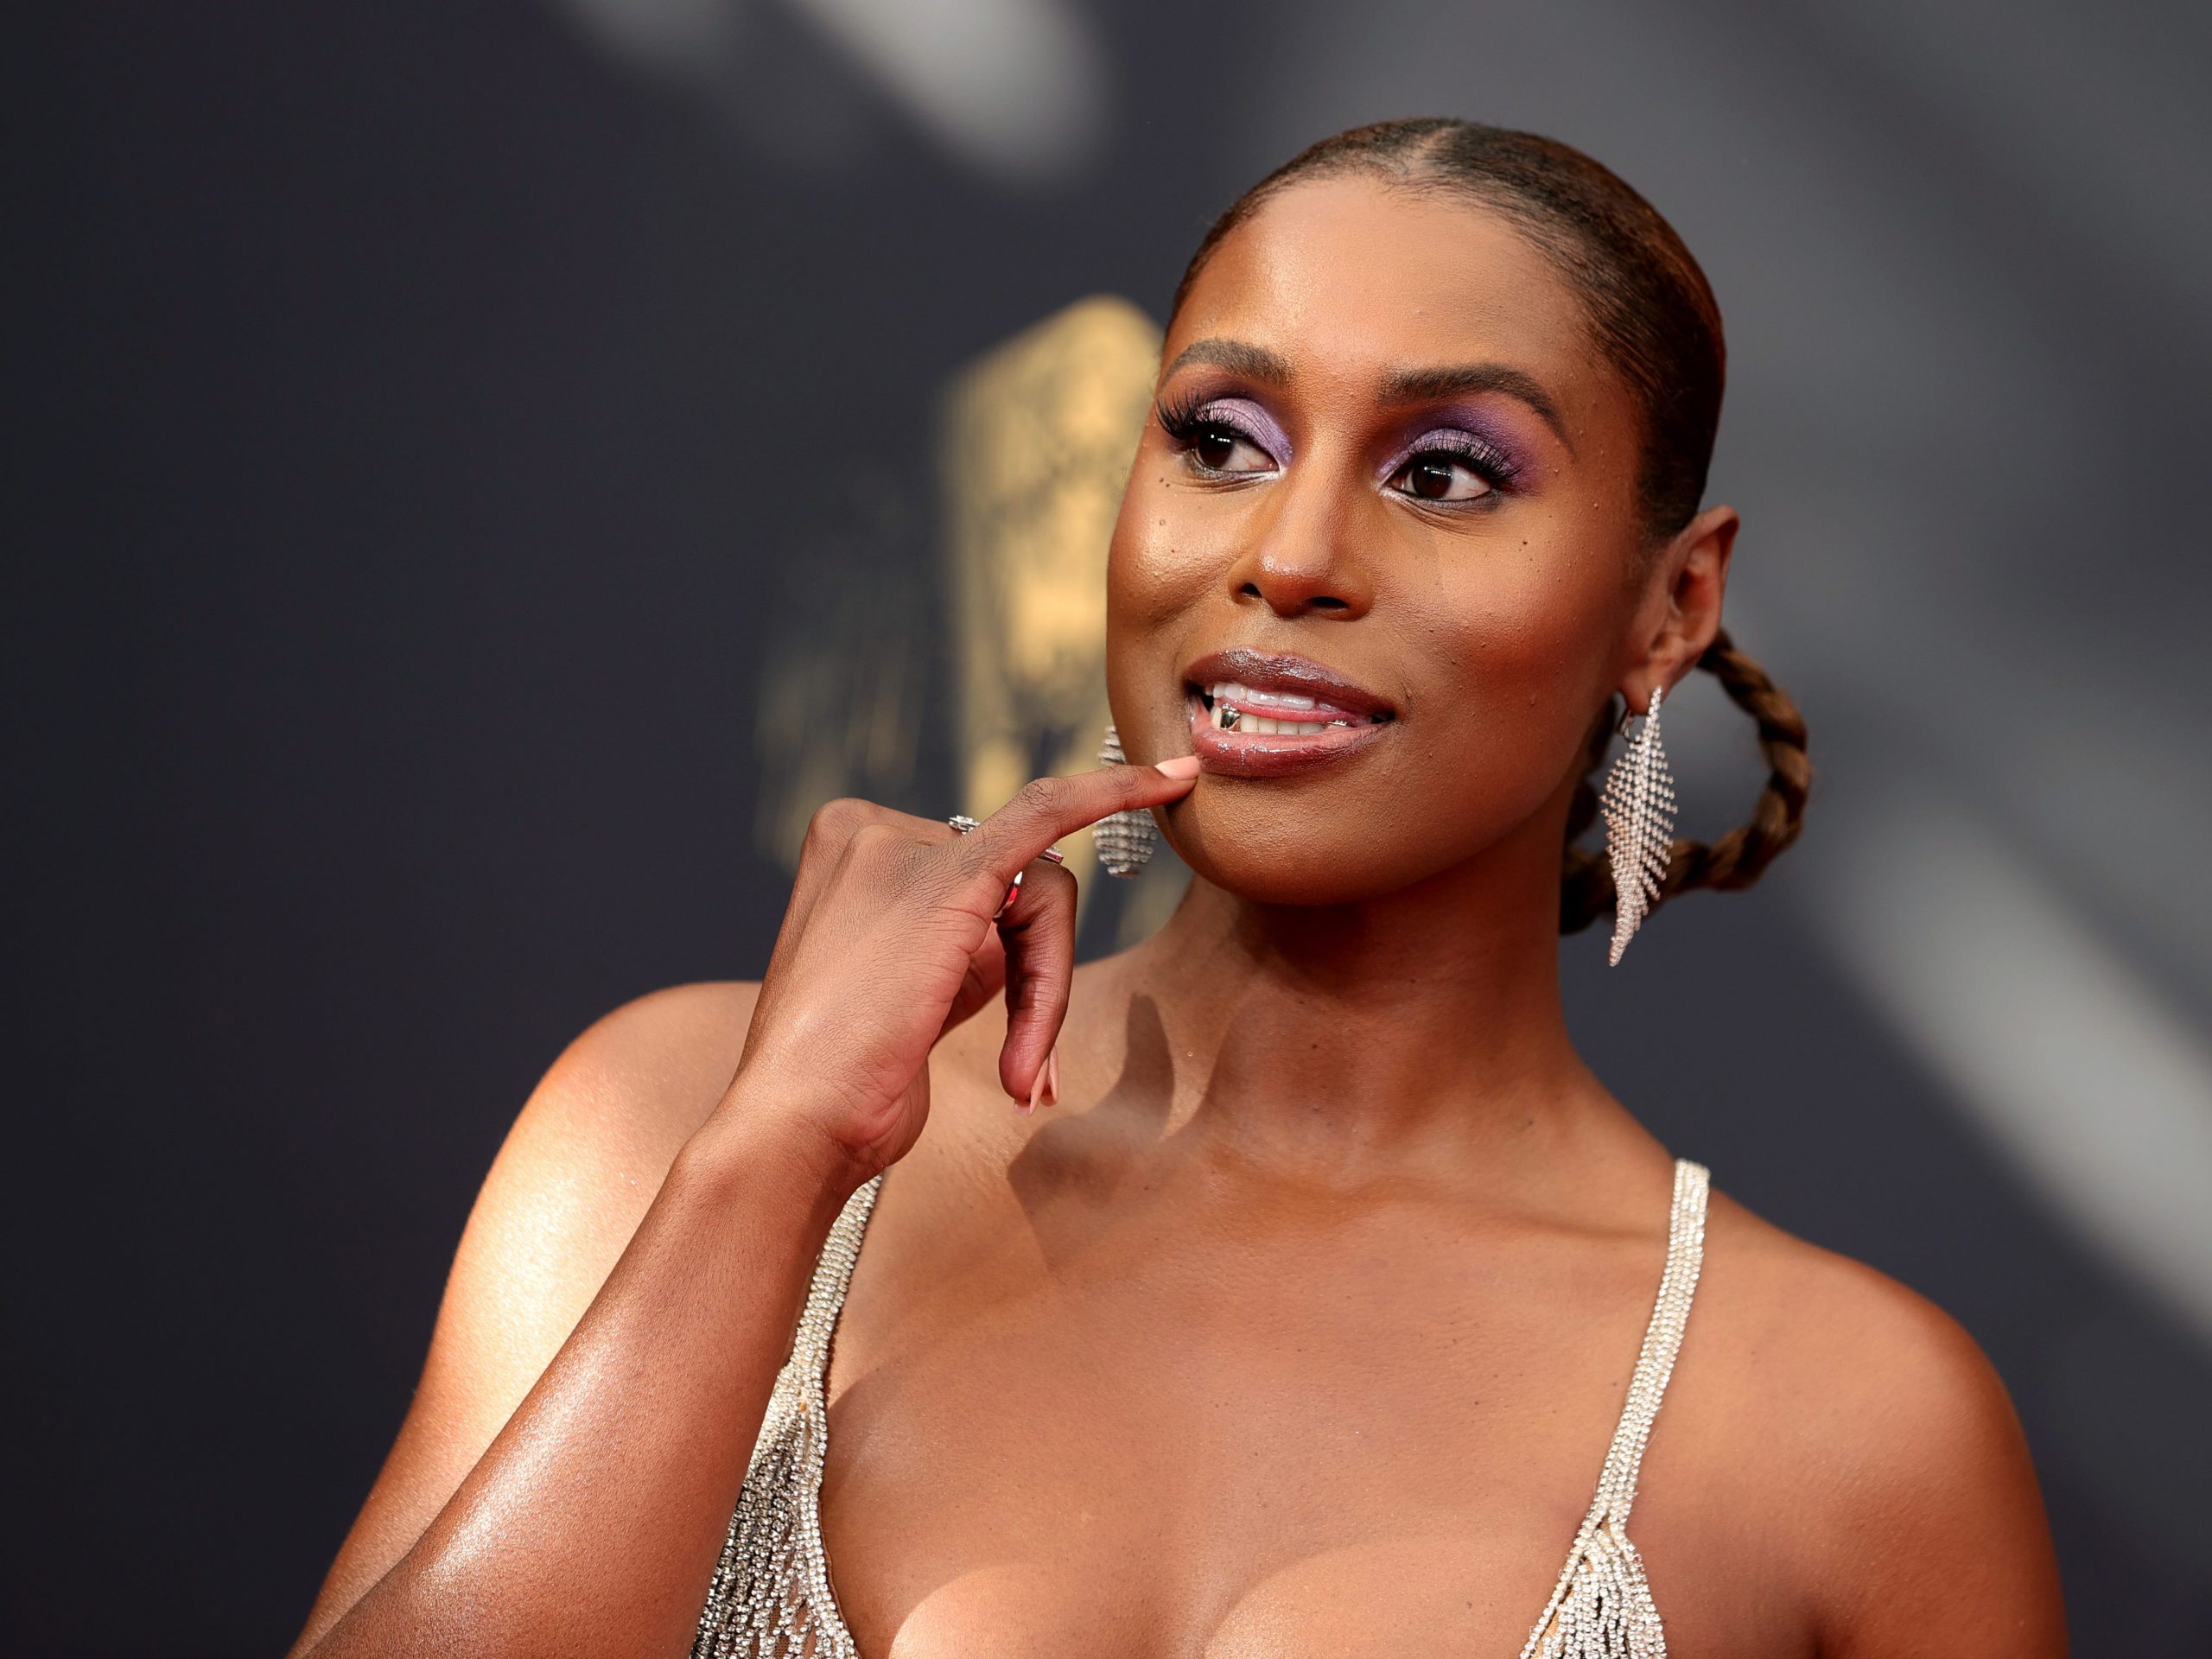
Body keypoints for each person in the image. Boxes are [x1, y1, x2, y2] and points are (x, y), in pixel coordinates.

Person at [287, 118, 2066, 1659]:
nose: (1283, 557)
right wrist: (766, 1169)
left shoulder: (1844, 1429)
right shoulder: (665, 1122)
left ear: (1667, 608)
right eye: (1220, 438)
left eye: (1443, 474)